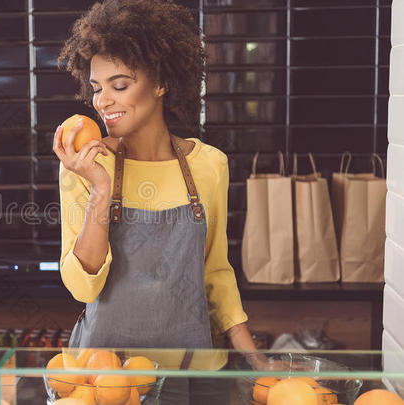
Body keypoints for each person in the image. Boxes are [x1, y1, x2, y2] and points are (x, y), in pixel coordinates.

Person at [52, 0, 262, 403]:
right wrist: (99, 189)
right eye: (97, 88)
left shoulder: (210, 166)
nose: (103, 101)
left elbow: (215, 273)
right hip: (106, 378)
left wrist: (257, 361)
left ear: (161, 82)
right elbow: (81, 285)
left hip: (195, 373)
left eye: (120, 84)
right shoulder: (86, 167)